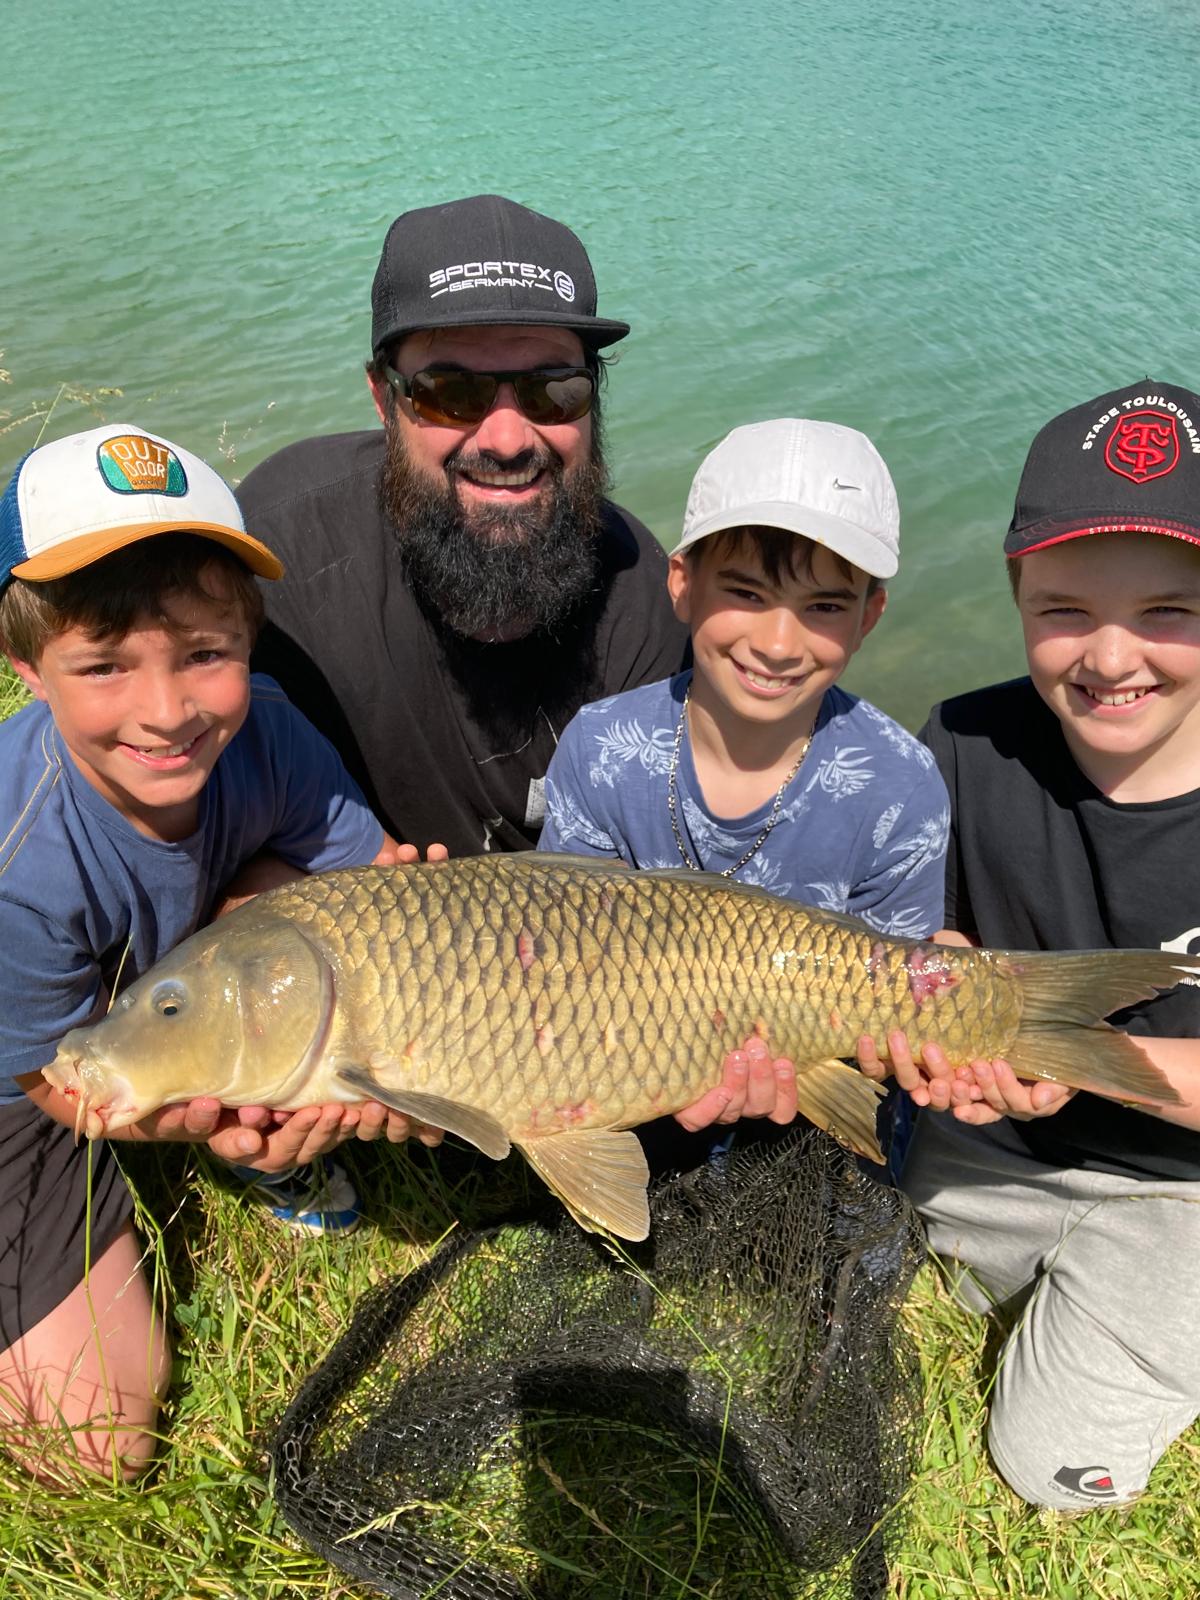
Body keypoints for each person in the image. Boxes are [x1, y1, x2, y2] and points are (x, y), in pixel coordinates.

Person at [0, 424, 423, 1481]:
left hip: (163, 992)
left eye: (204, 654)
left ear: (249, 638)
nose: (167, 712)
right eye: (104, 666)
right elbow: (54, 1081)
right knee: (96, 1444)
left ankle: (259, 1126)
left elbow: (376, 895)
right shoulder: (18, 863)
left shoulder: (270, 734)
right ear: (28, 670)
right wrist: (174, 1120)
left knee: (322, 919)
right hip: (28, 1072)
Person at [861, 380, 1200, 1511]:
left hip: (1183, 1190)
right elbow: (927, 936)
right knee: (843, 1283)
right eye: (1064, 608)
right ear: (1015, 593)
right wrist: (943, 1013)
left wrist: (1067, 1057)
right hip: (991, 1146)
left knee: (1052, 1467)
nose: (1111, 654)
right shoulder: (964, 740)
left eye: (1168, 611)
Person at [538, 417, 951, 1163]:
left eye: (825, 606)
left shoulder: (901, 784)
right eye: (747, 593)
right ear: (682, 584)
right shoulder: (601, 749)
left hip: (814, 1115)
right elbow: (563, 970)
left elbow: (895, 1002)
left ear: (870, 616)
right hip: (629, 1086)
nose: (777, 644)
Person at [237, 194, 688, 858]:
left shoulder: (642, 599)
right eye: (451, 392)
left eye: (554, 388)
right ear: (383, 399)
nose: (507, 439)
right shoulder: (279, 558)